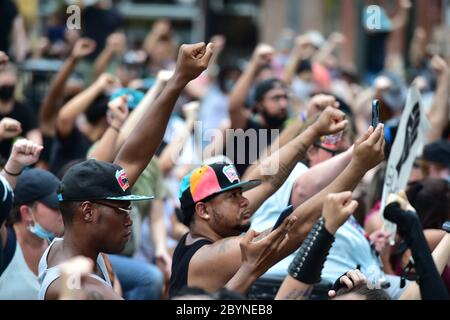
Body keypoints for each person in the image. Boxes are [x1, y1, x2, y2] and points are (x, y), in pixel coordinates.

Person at [38, 41, 215, 300]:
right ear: (88, 211)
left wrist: (179, 79)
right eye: (122, 209)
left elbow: (134, 157)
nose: (129, 219)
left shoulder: (66, 246)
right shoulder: (81, 290)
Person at [169, 104, 385, 297]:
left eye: (241, 193)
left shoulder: (203, 232)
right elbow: (295, 230)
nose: (244, 201)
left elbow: (267, 180)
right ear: (204, 210)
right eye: (232, 196)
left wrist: (314, 130)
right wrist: (358, 167)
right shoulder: (210, 257)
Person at [0, 139, 62, 299]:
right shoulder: (5, 242)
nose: (62, 212)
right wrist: (14, 163)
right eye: (55, 206)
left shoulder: (58, 246)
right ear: (27, 212)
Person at [228, 44, 289, 176]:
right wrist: (254, 64)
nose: (283, 104)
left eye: (285, 97)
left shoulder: (285, 132)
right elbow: (234, 107)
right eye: (276, 98)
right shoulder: (245, 127)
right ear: (259, 104)